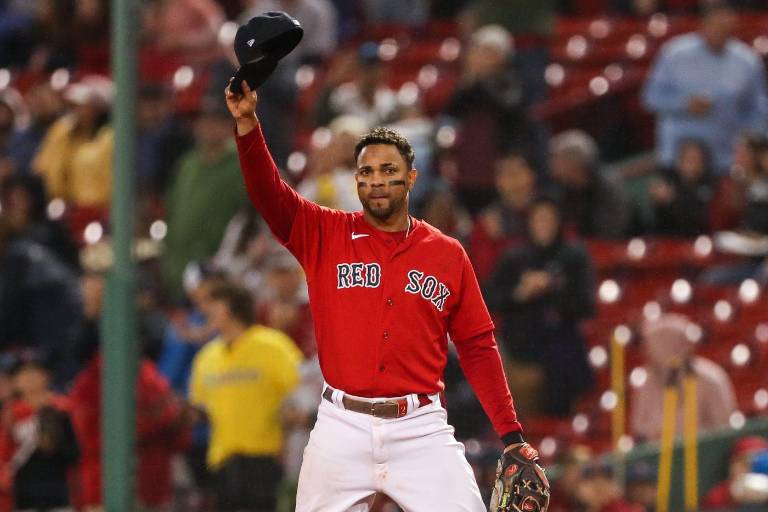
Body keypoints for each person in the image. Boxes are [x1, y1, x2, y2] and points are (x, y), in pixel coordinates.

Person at [226, 79, 546, 511]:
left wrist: (510, 434)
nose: (376, 182)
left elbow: (477, 345)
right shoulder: (324, 233)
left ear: (411, 178)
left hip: (420, 427)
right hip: (341, 425)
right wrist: (247, 124)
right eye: (366, 172)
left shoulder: (447, 254)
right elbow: (268, 194)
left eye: (388, 171)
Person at [189, 281, 301, 511]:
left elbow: (300, 393)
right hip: (222, 459)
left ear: (232, 307)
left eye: (214, 304)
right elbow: (199, 405)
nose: (206, 310)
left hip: (264, 456)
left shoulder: (273, 346)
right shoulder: (207, 356)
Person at [485, 196, 596, 416]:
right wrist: (520, 293)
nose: (544, 225)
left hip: (563, 348)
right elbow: (490, 299)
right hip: (521, 348)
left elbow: (586, 305)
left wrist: (552, 288)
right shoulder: (513, 258)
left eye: (549, 219)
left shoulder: (574, 257)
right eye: (539, 219)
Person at [641, 0, 768, 173]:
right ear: (704, 24)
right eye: (717, 26)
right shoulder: (675, 53)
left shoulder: (747, 61)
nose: (721, 31)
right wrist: (684, 104)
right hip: (678, 160)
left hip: (725, 159)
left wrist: (749, 143)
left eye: (726, 27)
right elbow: (650, 98)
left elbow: (759, 109)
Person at [631, 313, 736, 441]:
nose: (647, 353)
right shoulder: (647, 383)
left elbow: (723, 428)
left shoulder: (710, 379)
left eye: (656, 344)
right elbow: (641, 428)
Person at [547, 129, 631, 239]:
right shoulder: (564, 187)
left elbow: (614, 232)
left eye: (557, 160)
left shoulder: (609, 187)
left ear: (573, 163)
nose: (551, 166)